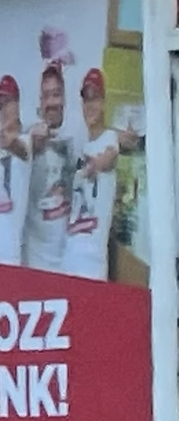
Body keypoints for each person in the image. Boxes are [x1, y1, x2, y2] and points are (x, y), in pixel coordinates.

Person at [65, 67, 142, 282]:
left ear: (104, 102)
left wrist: (96, 165)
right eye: (86, 100)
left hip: (91, 263)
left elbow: (109, 156)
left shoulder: (109, 139)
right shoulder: (83, 147)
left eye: (95, 98)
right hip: (69, 258)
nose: (90, 105)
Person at [24, 63, 76, 273]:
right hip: (34, 259)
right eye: (47, 96)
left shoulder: (76, 137)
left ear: (64, 98)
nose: (52, 102)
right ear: (40, 101)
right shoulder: (30, 135)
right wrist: (34, 144)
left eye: (56, 94)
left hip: (67, 259)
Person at [0, 74, 29, 266]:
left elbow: (22, 150)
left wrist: (11, 141)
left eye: (7, 102)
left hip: (10, 253)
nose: (3, 110)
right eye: (0, 105)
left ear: (17, 104)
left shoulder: (27, 140)